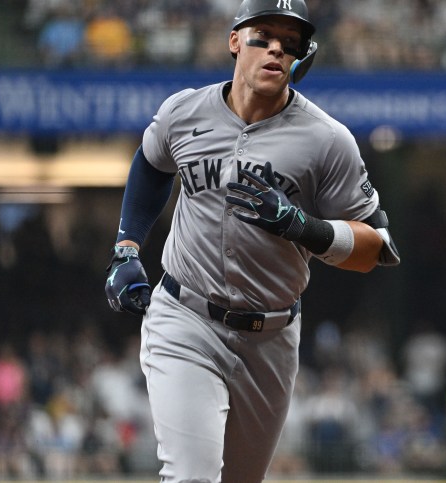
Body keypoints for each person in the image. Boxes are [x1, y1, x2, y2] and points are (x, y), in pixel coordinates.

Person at [104, 0, 400, 481]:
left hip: (272, 337)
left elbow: (377, 248)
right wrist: (127, 247)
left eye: (291, 43)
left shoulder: (327, 140)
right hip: (185, 320)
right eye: (263, 35)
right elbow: (151, 162)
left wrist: (302, 226)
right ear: (235, 40)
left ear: (303, 57)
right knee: (192, 477)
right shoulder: (184, 111)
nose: (276, 50)